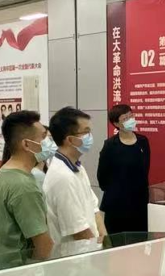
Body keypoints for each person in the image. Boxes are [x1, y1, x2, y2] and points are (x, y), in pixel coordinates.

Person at [0, 110, 54, 259]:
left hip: (6, 264)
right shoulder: (23, 185)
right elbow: (43, 246)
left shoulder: (4, 173)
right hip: (22, 268)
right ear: (26, 144)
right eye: (43, 137)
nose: (49, 142)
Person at [44, 107, 106, 244]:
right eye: (86, 132)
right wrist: (99, 249)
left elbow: (94, 208)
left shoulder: (77, 167)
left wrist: (105, 240)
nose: (90, 137)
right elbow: (79, 231)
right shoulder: (62, 176)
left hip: (92, 249)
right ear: (70, 140)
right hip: (77, 253)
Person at [96, 104, 150, 235]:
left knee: (139, 239)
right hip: (117, 204)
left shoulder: (143, 141)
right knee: (116, 241)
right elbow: (102, 176)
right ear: (116, 123)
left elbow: (145, 169)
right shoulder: (110, 145)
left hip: (139, 202)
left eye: (131, 116)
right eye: (125, 118)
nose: (130, 120)